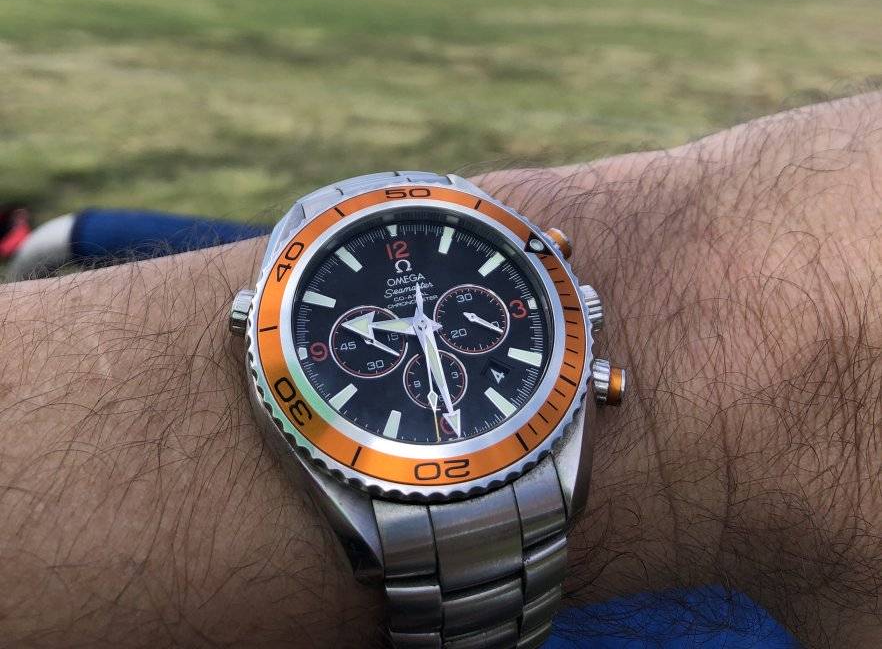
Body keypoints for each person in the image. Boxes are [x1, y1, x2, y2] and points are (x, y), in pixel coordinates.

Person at [1, 93, 881, 648]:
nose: (426, 323)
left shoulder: (553, 330)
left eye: (439, 316)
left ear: (581, 325)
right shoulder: (282, 338)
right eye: (405, 321)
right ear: (253, 321)